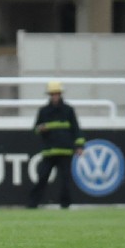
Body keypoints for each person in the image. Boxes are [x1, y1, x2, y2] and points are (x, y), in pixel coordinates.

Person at [27, 80, 85, 209]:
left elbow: (76, 129)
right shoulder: (44, 111)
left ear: (60, 94)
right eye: (52, 94)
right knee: (42, 178)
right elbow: (35, 129)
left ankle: (65, 205)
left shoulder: (68, 110)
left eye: (57, 94)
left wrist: (80, 146)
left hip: (65, 152)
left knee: (66, 181)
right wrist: (40, 129)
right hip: (49, 152)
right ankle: (32, 204)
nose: (55, 97)